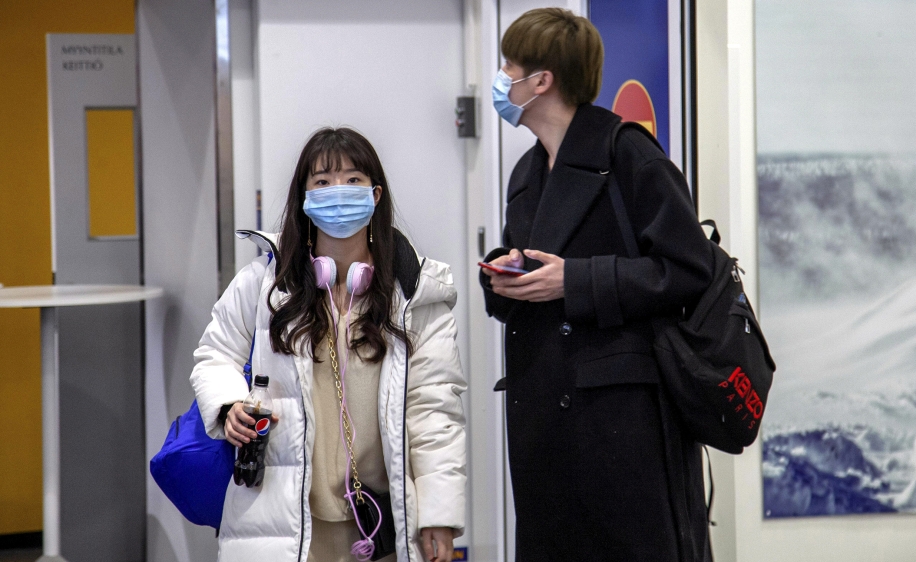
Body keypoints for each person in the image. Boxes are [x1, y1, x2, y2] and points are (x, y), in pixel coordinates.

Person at [480, 8, 715, 562]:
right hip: (546, 417)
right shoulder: (528, 172)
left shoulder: (628, 153)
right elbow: (537, 270)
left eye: (508, 67)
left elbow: (689, 269)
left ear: (541, 81)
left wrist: (576, 281)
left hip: (621, 424)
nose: (501, 78)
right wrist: (504, 274)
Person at [192, 127, 466, 562]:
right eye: (322, 182)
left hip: (380, 524)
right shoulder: (263, 285)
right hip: (284, 527)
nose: (338, 192)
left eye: (353, 180)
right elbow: (214, 355)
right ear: (303, 198)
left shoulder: (417, 294)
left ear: (375, 195)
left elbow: (435, 411)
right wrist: (228, 405)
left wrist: (439, 514)